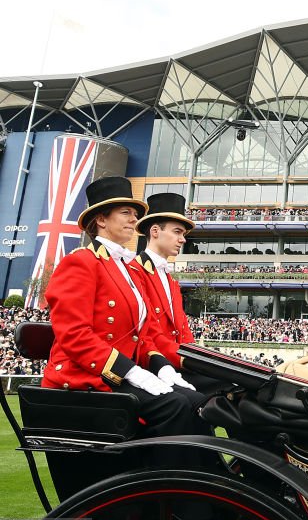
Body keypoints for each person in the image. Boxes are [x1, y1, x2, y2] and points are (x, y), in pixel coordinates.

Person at [42, 177, 207, 452]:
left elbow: (144, 336)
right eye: (126, 213)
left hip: (119, 373)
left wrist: (162, 368)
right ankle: (170, 488)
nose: (134, 220)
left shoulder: (128, 270)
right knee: (176, 406)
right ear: (102, 220)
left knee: (193, 400)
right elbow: (74, 335)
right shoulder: (80, 262)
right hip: (86, 376)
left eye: (135, 214)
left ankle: (202, 480)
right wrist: (132, 373)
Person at [135, 192, 217, 391]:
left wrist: (197, 356)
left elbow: (183, 331)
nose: (182, 240)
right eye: (177, 232)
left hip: (176, 360)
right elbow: (149, 334)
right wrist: (191, 360)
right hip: (154, 365)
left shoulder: (171, 280)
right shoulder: (134, 272)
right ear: (155, 231)